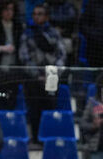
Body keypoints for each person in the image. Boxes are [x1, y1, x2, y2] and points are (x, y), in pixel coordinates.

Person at [19, 4, 67, 145]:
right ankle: (36, 139)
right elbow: (24, 57)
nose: (36, 16)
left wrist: (53, 74)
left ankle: (49, 139)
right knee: (34, 109)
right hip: (33, 79)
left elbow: (61, 54)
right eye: (34, 14)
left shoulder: (54, 33)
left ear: (46, 16)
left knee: (50, 108)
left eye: (40, 14)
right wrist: (36, 74)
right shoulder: (27, 34)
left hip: (51, 77)